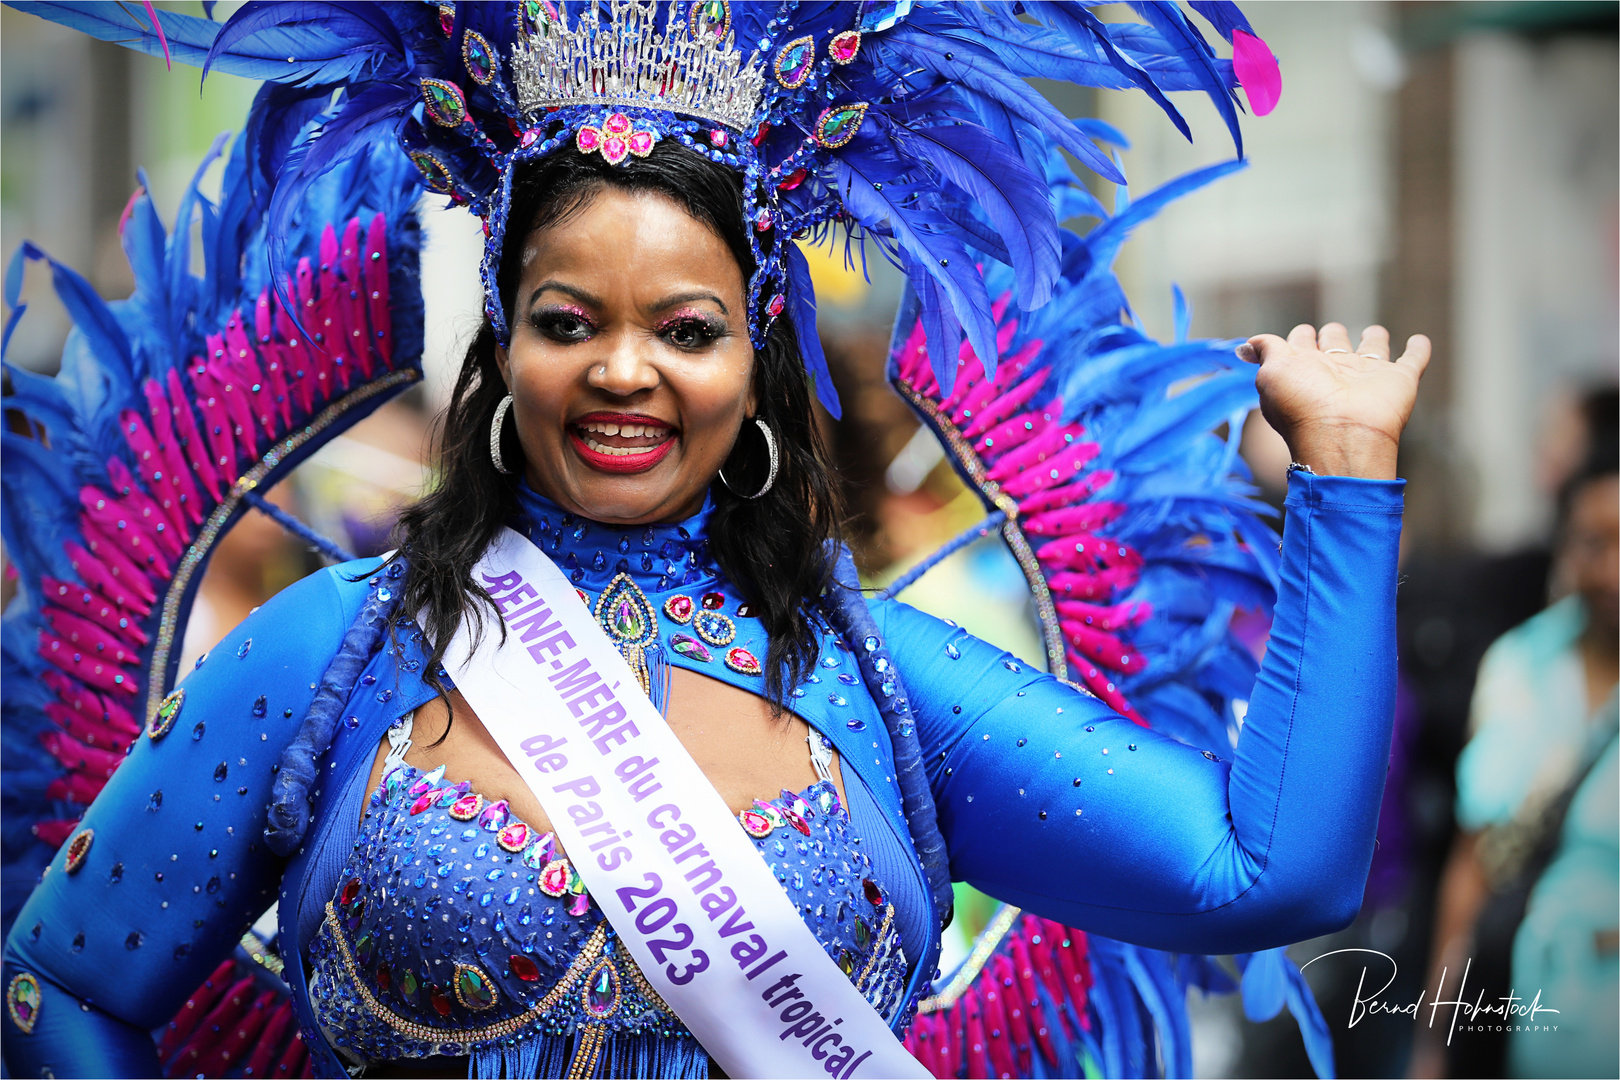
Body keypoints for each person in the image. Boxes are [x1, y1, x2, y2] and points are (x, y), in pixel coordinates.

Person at [0, 3, 1427, 1077]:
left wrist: (1349, 479)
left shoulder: (888, 687)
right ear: (504, 343)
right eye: (571, 323)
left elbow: (1269, 874)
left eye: (686, 330)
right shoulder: (323, 656)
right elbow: (57, 986)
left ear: (755, 361)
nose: (626, 373)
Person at [1413, 427, 1618, 1080]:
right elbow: (1475, 861)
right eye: (1594, 544)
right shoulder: (1519, 664)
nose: (1613, 569)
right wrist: (1434, 1040)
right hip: (1522, 1027)